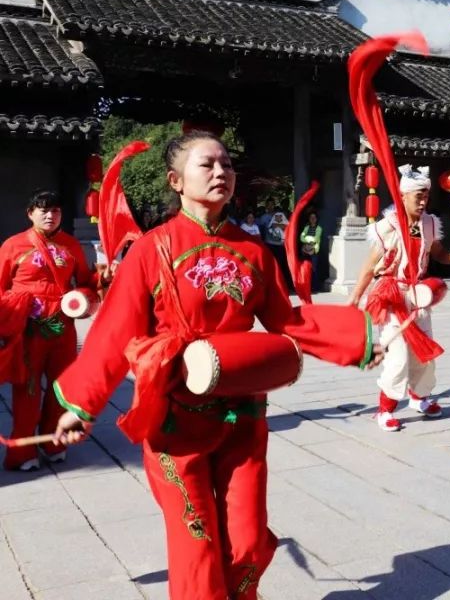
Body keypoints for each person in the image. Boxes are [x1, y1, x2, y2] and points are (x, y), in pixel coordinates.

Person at [51, 132, 383, 599]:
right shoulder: (152, 249)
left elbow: (289, 320)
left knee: (246, 542)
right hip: (173, 420)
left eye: (227, 164)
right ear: (176, 180)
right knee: (196, 545)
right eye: (207, 165)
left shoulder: (252, 251)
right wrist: (80, 406)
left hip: (241, 415)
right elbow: (112, 332)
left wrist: (358, 339)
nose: (221, 173)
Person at [348, 165, 450, 432]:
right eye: (418, 195)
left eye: (426, 195)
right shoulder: (388, 226)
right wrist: (356, 297)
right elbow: (371, 265)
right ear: (403, 195)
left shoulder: (429, 223)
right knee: (399, 357)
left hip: (418, 297)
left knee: (423, 352)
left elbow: (438, 253)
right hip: (392, 296)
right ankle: (386, 409)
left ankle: (419, 397)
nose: (423, 200)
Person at [0, 190, 98, 470]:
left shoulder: (71, 245)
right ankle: (23, 452)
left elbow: (86, 280)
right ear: (30, 213)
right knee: (27, 392)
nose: (49, 215)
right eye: (42, 210)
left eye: (55, 211)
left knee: (62, 388)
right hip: (29, 329)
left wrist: (100, 279)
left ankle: (54, 442)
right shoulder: (13, 245)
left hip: (63, 328)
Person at [300, 211, 323, 291]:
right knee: (305, 267)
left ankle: (315, 287)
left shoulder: (319, 228)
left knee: (314, 269)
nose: (312, 219)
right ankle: (306, 285)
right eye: (311, 218)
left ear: (316, 219)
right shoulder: (306, 227)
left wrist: (308, 240)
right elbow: (302, 237)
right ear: (309, 219)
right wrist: (308, 241)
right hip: (305, 249)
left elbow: (316, 238)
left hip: (314, 250)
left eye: (314, 218)